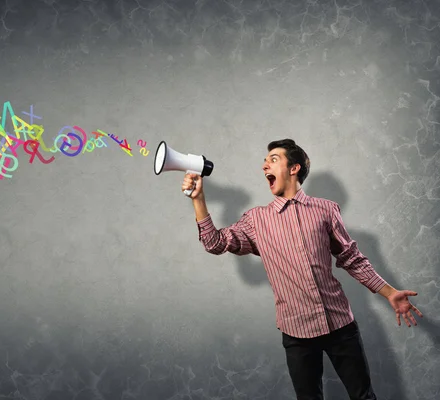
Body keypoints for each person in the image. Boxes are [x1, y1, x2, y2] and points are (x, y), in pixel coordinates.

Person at [181, 138, 424, 400]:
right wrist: (199, 199)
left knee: (364, 397)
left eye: (273, 159)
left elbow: (352, 258)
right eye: (265, 161)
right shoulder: (256, 220)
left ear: (294, 168)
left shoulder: (326, 210)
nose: (264, 165)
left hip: (340, 325)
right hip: (296, 333)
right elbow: (214, 243)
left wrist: (389, 293)